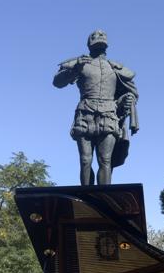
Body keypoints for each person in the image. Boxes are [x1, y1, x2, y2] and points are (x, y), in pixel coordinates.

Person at [53, 29, 139, 186]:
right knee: (85, 160)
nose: (99, 37)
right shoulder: (80, 63)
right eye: (95, 37)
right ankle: (86, 197)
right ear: (89, 44)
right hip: (85, 114)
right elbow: (57, 82)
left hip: (109, 115)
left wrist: (127, 100)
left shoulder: (115, 68)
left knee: (105, 159)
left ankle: (103, 199)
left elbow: (131, 92)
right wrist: (76, 68)